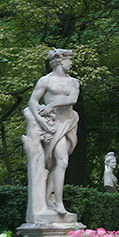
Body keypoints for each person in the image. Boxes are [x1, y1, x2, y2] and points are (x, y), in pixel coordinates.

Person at [27, 48, 80, 216]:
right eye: (69, 60)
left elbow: (73, 99)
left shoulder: (73, 82)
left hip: (70, 122)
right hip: (53, 124)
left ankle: (50, 199)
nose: (71, 63)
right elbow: (32, 101)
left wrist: (51, 105)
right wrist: (40, 120)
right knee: (60, 161)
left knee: (59, 163)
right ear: (60, 61)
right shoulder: (46, 81)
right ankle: (58, 203)